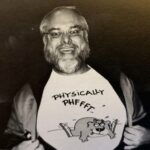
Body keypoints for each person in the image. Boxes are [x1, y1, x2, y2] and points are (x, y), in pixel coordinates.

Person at [1, 6, 150, 150]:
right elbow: (10, 138)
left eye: (74, 32)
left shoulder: (119, 81)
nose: (66, 41)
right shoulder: (28, 94)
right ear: (46, 42)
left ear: (85, 37)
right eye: (55, 34)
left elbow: (141, 120)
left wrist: (147, 137)